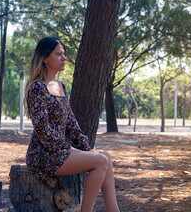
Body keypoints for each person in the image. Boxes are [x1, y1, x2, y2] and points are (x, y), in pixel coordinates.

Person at [25, 37, 120, 212]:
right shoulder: (37, 88)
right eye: (58, 54)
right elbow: (43, 131)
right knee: (100, 161)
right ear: (45, 58)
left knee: (105, 156)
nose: (64, 58)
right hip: (43, 155)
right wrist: (70, 149)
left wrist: (86, 148)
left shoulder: (61, 86)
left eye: (64, 54)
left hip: (60, 151)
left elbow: (71, 124)